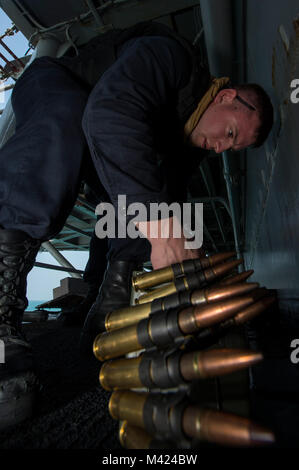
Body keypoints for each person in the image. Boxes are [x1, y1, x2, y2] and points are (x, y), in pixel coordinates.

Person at [0, 21, 273, 430]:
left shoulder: (184, 148)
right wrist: (163, 228)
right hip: (57, 86)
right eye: (229, 133)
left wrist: (181, 266)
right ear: (228, 96)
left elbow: (165, 202)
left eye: (230, 148)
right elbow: (108, 115)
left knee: (146, 194)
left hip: (95, 136)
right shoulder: (172, 57)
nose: (220, 147)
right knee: (69, 118)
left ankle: (107, 302)